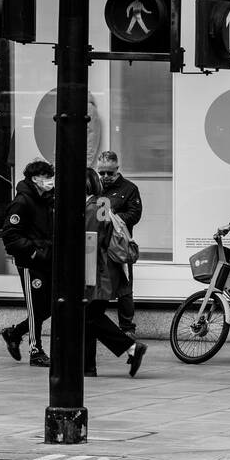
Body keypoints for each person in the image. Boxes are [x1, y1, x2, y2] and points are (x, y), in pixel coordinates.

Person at [84, 168, 147, 378]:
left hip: (97, 270)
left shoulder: (94, 207)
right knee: (90, 318)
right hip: (106, 269)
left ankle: (131, 348)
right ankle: (87, 367)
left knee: (89, 316)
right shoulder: (102, 203)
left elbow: (92, 240)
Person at [1, 159, 56, 367]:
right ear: (35, 179)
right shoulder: (22, 202)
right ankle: (36, 350)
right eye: (46, 177)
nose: (50, 181)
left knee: (46, 307)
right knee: (35, 308)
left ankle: (14, 334)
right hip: (30, 262)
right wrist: (33, 253)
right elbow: (11, 235)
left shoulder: (47, 200)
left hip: (46, 260)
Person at [95, 151, 143, 336]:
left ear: (117, 169)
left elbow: (135, 215)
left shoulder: (129, 188)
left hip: (118, 244)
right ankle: (95, 322)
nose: (105, 177)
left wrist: (111, 217)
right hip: (97, 245)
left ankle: (127, 329)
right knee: (98, 286)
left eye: (109, 173)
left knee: (124, 288)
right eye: (102, 173)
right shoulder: (95, 188)